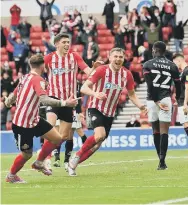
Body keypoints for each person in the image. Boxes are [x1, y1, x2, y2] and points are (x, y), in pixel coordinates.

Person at [68, 47, 147, 176]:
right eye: (115, 56)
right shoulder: (101, 70)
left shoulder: (126, 74)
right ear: (110, 58)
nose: (118, 59)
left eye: (120, 57)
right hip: (95, 107)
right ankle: (76, 156)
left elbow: (132, 95)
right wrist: (95, 93)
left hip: (110, 113)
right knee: (99, 135)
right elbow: (83, 88)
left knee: (97, 145)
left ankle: (73, 165)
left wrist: (141, 106)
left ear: (124, 59)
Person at [4, 54, 79, 183]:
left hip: (34, 119)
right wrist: (65, 103)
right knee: (27, 154)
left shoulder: (24, 78)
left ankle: (39, 162)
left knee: (57, 139)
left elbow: (13, 95)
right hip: (23, 124)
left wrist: (8, 102)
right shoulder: (38, 80)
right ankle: (11, 176)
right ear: (42, 66)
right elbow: (44, 99)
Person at [44, 33, 100, 171]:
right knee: (50, 127)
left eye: (68, 42)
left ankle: (50, 153)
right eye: (64, 42)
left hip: (69, 101)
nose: (67, 44)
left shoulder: (74, 56)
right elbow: (37, 72)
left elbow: (88, 72)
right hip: (53, 98)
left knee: (64, 136)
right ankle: (45, 159)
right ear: (56, 44)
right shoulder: (49, 58)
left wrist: (95, 69)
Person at [143, 41, 181, 170]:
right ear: (164, 51)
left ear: (154, 50)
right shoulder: (172, 65)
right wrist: (177, 98)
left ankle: (159, 159)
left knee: (155, 130)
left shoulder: (147, 64)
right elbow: (178, 85)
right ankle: (162, 162)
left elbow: (149, 85)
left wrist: (154, 100)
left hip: (151, 100)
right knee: (165, 131)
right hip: (165, 99)